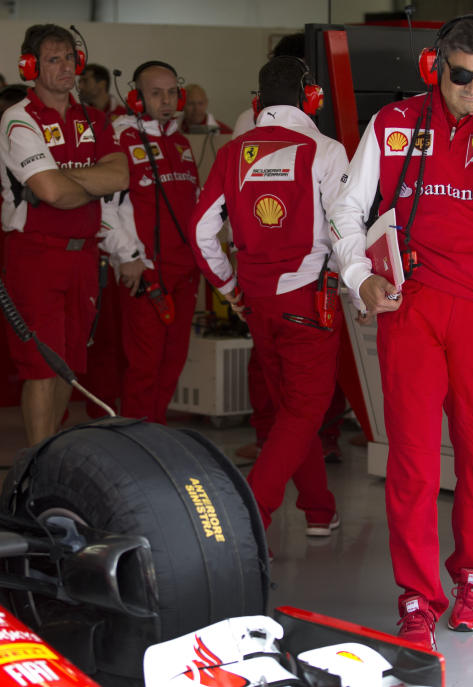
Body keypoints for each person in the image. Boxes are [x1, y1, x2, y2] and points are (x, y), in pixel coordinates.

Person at [328, 15, 473, 650]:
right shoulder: (394, 124)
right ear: (435, 67)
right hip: (411, 306)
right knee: (414, 462)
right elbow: (347, 206)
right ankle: (416, 598)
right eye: (460, 77)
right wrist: (356, 274)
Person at [190, 56, 348, 539]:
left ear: (257, 103)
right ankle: (250, 516)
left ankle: (319, 508)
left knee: (291, 415)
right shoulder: (325, 149)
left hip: (257, 302)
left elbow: (201, 233)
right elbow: (346, 230)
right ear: (312, 98)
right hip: (309, 299)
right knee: (305, 412)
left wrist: (229, 288)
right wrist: (360, 290)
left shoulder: (232, 151)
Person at [0, 24, 128, 446]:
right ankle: (37, 465)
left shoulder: (93, 117)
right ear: (30, 66)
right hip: (36, 255)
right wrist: (91, 181)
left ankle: (52, 453)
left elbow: (122, 174)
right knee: (42, 366)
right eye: (54, 59)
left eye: (71, 58)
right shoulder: (19, 118)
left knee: (68, 366)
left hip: (84, 256)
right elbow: (50, 192)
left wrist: (69, 181)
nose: (66, 67)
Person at [100, 61, 201, 424]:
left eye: (173, 92)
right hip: (146, 274)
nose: (167, 100)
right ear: (136, 98)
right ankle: (137, 445)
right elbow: (104, 208)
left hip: (185, 273)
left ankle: (154, 436)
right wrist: (126, 256)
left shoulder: (182, 142)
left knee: (172, 365)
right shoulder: (119, 139)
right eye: (156, 93)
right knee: (143, 368)